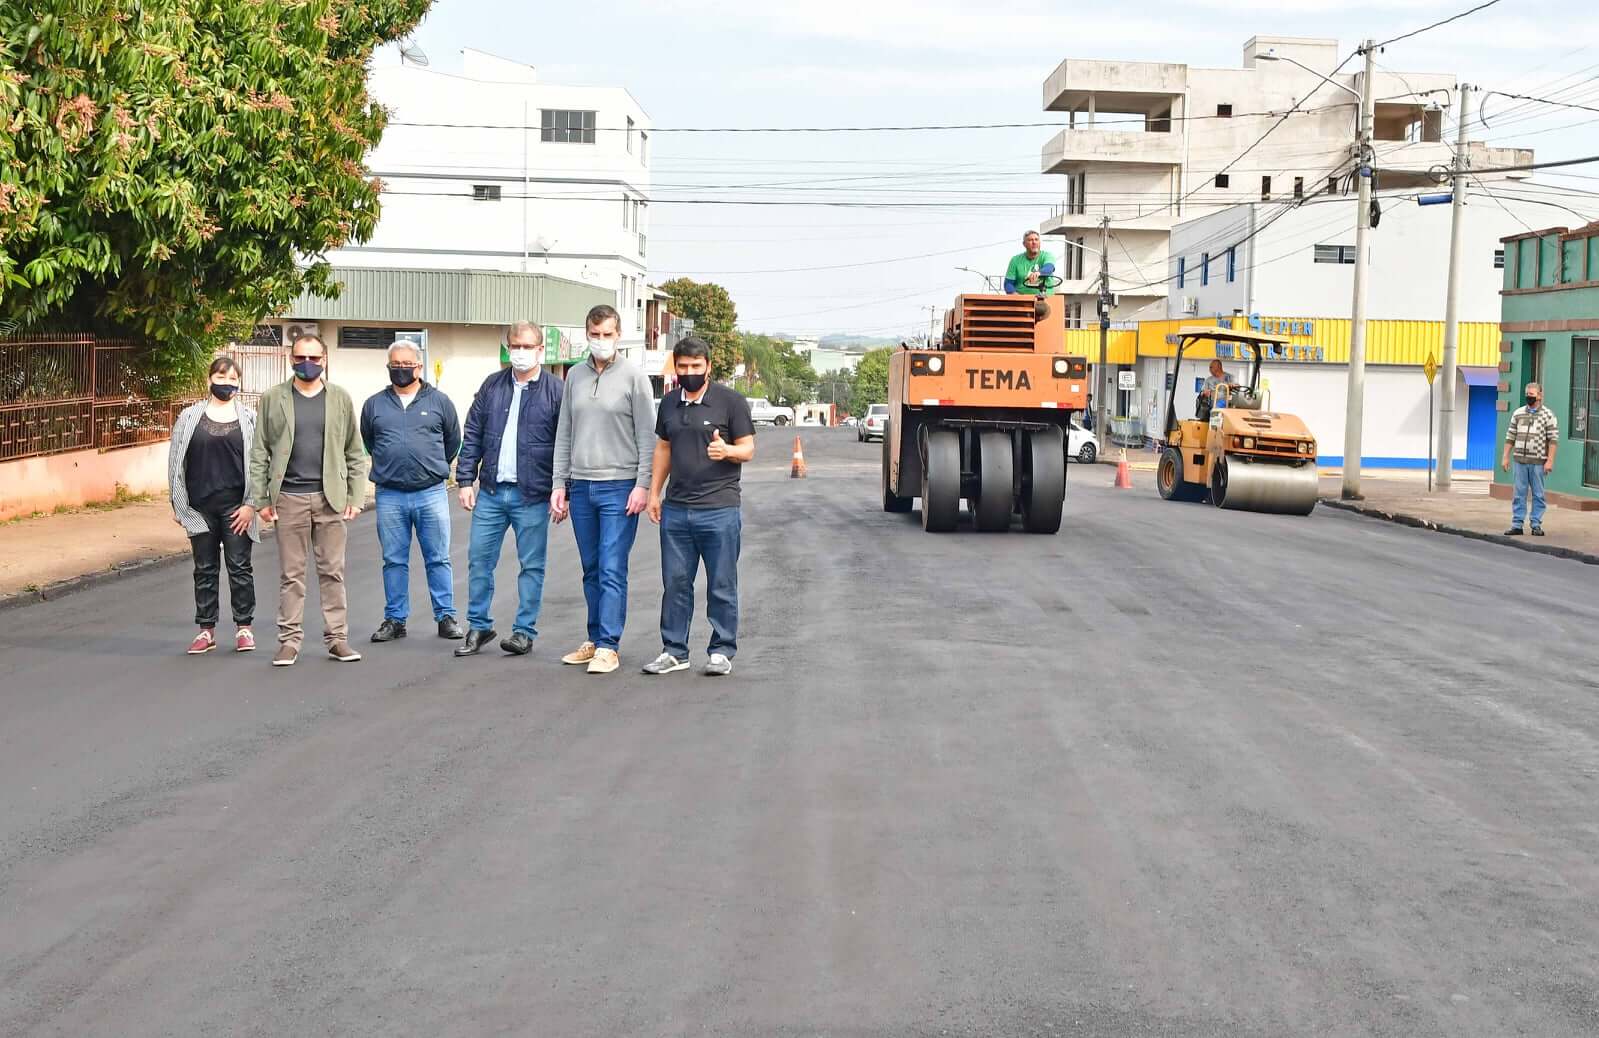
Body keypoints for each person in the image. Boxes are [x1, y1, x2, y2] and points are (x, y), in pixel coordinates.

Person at [247, 334, 369, 666]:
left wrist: (355, 496)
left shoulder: (339, 398)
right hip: (288, 499)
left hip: (331, 499)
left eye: (314, 358)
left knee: (333, 572)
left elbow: (354, 451)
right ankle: (289, 642)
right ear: (291, 358)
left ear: (324, 360)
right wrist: (261, 499)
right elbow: (259, 452)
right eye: (301, 357)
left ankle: (337, 640)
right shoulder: (274, 398)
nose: (307, 364)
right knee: (292, 575)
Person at [550, 304, 656, 675]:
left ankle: (609, 645)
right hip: (582, 486)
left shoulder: (634, 378)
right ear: (587, 334)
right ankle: (594, 639)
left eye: (607, 334)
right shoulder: (575, 377)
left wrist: (643, 484)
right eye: (594, 335)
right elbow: (565, 432)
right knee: (591, 568)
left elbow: (647, 436)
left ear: (618, 334)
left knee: (612, 566)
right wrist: (559, 483)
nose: (600, 341)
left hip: (619, 486)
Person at [642, 337, 755, 677]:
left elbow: (748, 449)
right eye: (683, 366)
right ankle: (674, 651)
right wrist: (654, 493)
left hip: (719, 509)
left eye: (696, 366)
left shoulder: (731, 402)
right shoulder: (669, 403)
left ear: (708, 366)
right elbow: (663, 449)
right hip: (677, 510)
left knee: (721, 583)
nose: (689, 372)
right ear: (675, 368)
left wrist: (727, 451)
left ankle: (721, 651)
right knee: (676, 584)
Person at [453, 322, 565, 658]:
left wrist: (563, 489)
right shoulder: (492, 385)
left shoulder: (556, 391)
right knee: (478, 561)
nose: (520, 352)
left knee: (531, 566)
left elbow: (566, 444)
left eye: (527, 346)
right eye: (515, 346)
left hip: (532, 494)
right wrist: (464, 480)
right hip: (490, 491)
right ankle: (479, 626)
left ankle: (523, 632)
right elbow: (473, 433)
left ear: (540, 350)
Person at [360, 340, 464, 644]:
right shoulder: (374, 405)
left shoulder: (440, 402)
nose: (401, 369)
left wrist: (430, 467)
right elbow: (369, 441)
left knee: (438, 558)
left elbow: (453, 441)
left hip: (430, 492)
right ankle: (395, 619)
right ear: (388, 367)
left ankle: (445, 616)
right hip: (390, 494)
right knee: (393, 560)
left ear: (419, 367)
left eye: (407, 364)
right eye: (395, 364)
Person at [168, 356, 261, 654]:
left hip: (237, 508)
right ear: (209, 380)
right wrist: (179, 505)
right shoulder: (189, 417)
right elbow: (175, 463)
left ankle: (244, 628)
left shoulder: (250, 419)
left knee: (239, 567)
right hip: (199, 508)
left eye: (233, 379)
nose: (226, 384)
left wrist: (251, 505)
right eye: (221, 378)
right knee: (204, 569)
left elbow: (261, 463)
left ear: (240, 383)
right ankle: (206, 631)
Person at [1502, 381, 1558, 537]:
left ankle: (1536, 524)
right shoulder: (1518, 413)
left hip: (1538, 462)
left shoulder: (1548, 415)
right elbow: (1510, 436)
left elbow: (1553, 440)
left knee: (1538, 494)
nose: (1529, 397)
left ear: (1539, 396)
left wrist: (1550, 461)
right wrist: (1505, 456)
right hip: (1519, 461)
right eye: (1527, 394)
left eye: (1532, 395)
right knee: (1518, 494)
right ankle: (1517, 525)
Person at [1003, 231, 1056, 296]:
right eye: (1030, 240)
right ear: (1024, 244)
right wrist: (1016, 296)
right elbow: (1008, 283)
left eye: (1036, 240)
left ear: (1040, 242)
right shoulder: (1015, 260)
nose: (1034, 242)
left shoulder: (1047, 256)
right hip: (1022, 299)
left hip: (1045, 298)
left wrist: (1039, 273)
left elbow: (1049, 267)